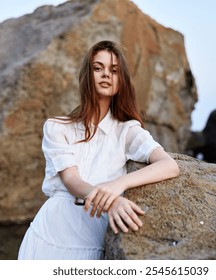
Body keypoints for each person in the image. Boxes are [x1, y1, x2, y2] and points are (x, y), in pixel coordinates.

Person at [18, 40, 180, 260]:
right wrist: (111, 200)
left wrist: (119, 184)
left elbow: (169, 165)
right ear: (87, 75)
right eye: (98, 68)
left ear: (121, 81)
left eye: (114, 70)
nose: (105, 75)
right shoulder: (56, 126)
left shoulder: (127, 130)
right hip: (50, 232)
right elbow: (71, 181)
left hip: (92, 235)